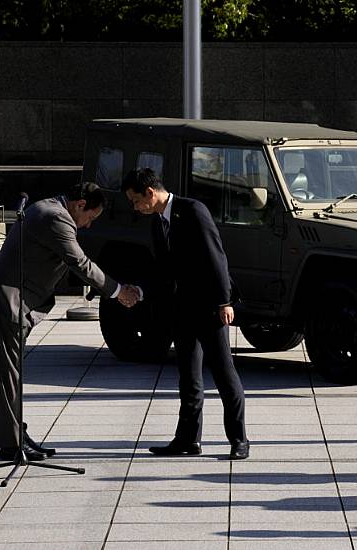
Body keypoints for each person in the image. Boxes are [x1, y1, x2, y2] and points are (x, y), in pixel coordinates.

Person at [0, 182, 139, 461]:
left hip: (13, 300)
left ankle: (16, 435)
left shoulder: (47, 207)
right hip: (8, 301)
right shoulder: (56, 217)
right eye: (90, 218)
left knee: (13, 374)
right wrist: (118, 291)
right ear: (80, 205)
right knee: (8, 376)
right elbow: (80, 263)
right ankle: (12, 445)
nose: (87, 226)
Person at [122, 168, 249, 460]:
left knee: (223, 373)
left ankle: (239, 439)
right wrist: (141, 291)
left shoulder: (193, 211)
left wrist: (224, 301)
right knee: (189, 377)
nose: (135, 207)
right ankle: (188, 440)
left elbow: (216, 256)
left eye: (135, 200)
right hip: (181, 310)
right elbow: (162, 271)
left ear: (150, 194)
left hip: (209, 308)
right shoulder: (157, 222)